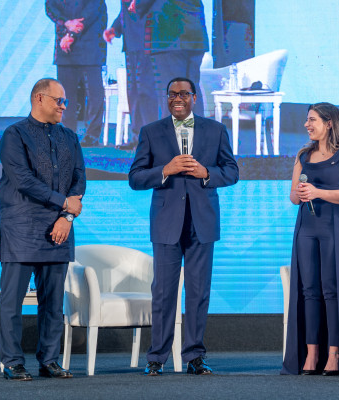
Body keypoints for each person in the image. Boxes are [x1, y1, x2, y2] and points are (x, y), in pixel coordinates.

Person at [128, 77, 238, 376]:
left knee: (198, 292)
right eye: (172, 94)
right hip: (166, 223)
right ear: (166, 98)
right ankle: (157, 356)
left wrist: (206, 173)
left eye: (183, 94)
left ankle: (194, 356)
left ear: (194, 97)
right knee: (163, 291)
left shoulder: (215, 130)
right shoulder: (151, 132)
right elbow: (135, 177)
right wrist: (165, 170)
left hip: (202, 222)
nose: (177, 98)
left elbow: (232, 172)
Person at [0, 78, 86, 381]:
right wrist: (64, 203)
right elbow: (22, 180)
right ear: (39, 99)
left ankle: (49, 360)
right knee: (12, 302)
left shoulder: (69, 137)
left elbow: (79, 181)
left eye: (65, 102)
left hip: (59, 228)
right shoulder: (14, 135)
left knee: (52, 302)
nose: (63, 106)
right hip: (21, 227)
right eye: (59, 100)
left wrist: (67, 218)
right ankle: (12, 362)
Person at [281, 102, 339, 377]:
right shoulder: (303, 154)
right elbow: (294, 196)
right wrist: (302, 191)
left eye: (312, 120)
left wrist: (318, 193)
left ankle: (335, 354)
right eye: (307, 121)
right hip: (306, 227)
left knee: (331, 290)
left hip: (334, 227)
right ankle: (311, 352)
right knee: (309, 291)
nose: (307, 125)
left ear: (329, 122)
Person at [45, 0, 107, 148]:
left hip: (90, 45)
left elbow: (91, 10)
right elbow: (50, 7)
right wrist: (66, 23)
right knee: (65, 94)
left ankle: (92, 135)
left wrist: (72, 33)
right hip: (65, 46)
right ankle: (67, 132)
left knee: (94, 94)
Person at [133, 0, 209, 118]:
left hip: (169, 35)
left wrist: (137, 4)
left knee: (172, 92)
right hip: (195, 33)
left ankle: (172, 136)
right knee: (192, 91)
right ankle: (197, 135)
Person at [104, 0, 157, 150]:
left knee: (147, 93)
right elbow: (125, 11)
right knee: (133, 94)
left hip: (148, 43)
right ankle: (137, 137)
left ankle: (150, 140)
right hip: (131, 45)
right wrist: (114, 29)